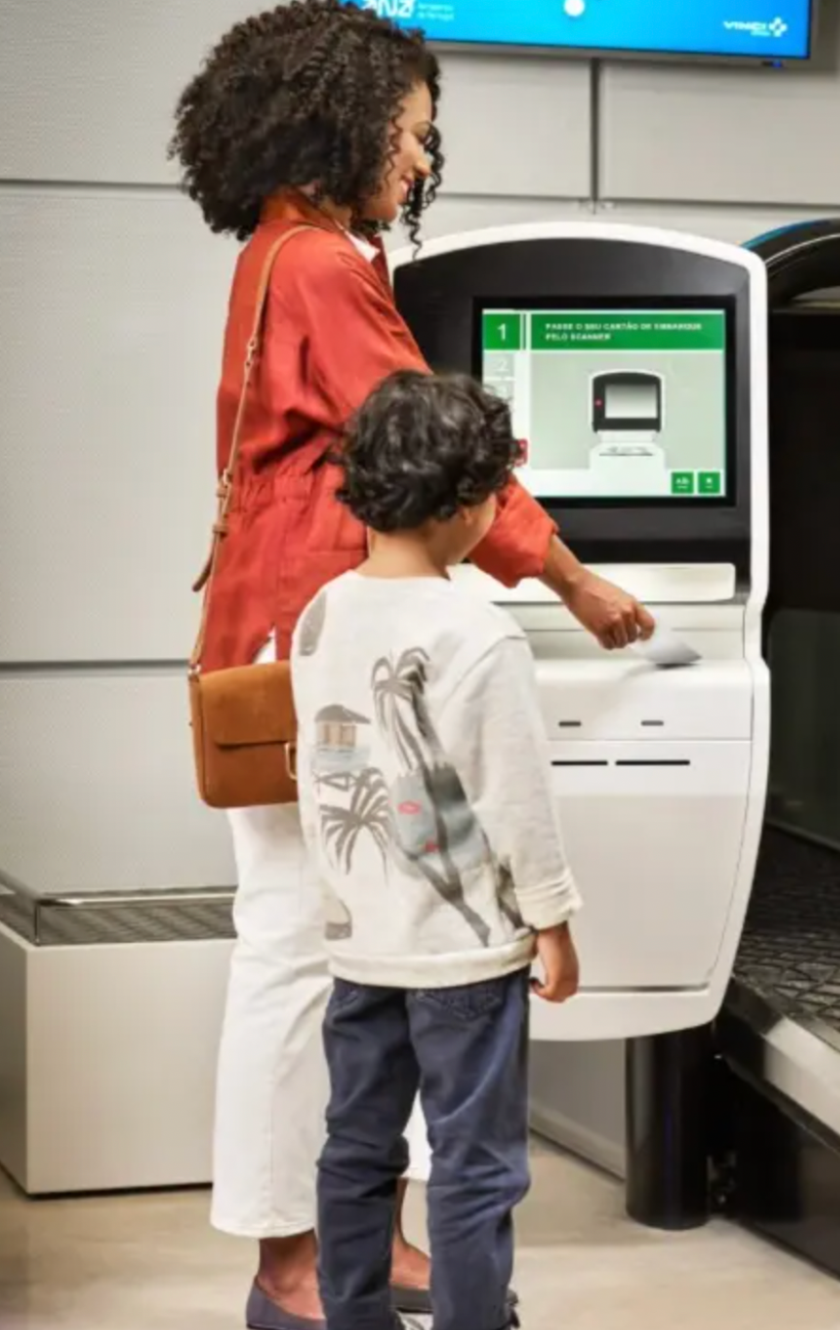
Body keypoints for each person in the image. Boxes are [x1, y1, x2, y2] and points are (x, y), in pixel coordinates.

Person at [167, 5, 652, 1326]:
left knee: (335, 948)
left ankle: (348, 1232)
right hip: (301, 648)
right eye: (412, 133)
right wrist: (573, 576)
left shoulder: (291, 249)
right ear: (350, 120)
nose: (419, 160)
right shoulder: (319, 261)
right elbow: (422, 449)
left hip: (280, 634)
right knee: (297, 953)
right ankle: (290, 1252)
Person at [295, 368, 582, 1331]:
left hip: (360, 944)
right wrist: (552, 920)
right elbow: (516, 801)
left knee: (356, 1145)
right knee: (474, 1161)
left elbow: (324, 774)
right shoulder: (475, 632)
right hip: (462, 954)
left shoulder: (321, 615)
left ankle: (355, 1316)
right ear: (468, 507)